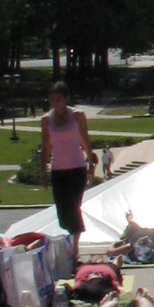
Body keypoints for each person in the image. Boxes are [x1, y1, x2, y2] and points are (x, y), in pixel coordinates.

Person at [41, 78, 93, 247]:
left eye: (58, 99)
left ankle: (74, 247)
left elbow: (85, 140)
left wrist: (91, 162)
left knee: (73, 207)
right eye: (52, 100)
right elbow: (45, 146)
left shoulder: (77, 116)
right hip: (58, 170)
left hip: (77, 168)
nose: (55, 103)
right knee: (63, 211)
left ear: (66, 99)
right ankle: (72, 238)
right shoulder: (46, 120)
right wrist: (43, 170)